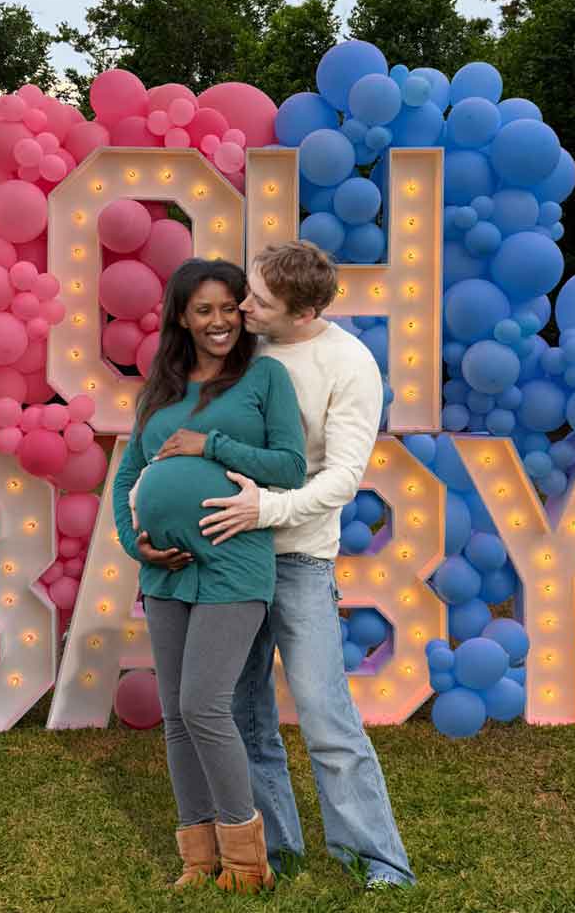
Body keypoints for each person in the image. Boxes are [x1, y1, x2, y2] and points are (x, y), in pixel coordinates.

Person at [195, 240, 417, 890]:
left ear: (306, 310)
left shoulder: (347, 363)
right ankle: (275, 847)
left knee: (325, 717)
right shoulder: (243, 344)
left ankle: (379, 862)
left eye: (261, 301)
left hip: (298, 561)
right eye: (248, 291)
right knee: (242, 713)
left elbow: (344, 478)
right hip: (228, 558)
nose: (243, 306)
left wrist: (264, 510)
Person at [111, 257, 307, 894]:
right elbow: (124, 476)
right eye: (204, 310)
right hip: (166, 572)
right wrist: (135, 544)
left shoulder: (264, 377)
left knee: (204, 706)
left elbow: (290, 467)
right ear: (182, 318)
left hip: (234, 563)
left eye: (229, 307)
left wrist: (210, 445)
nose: (220, 320)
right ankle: (198, 859)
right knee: (175, 715)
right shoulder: (161, 389)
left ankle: (248, 861)